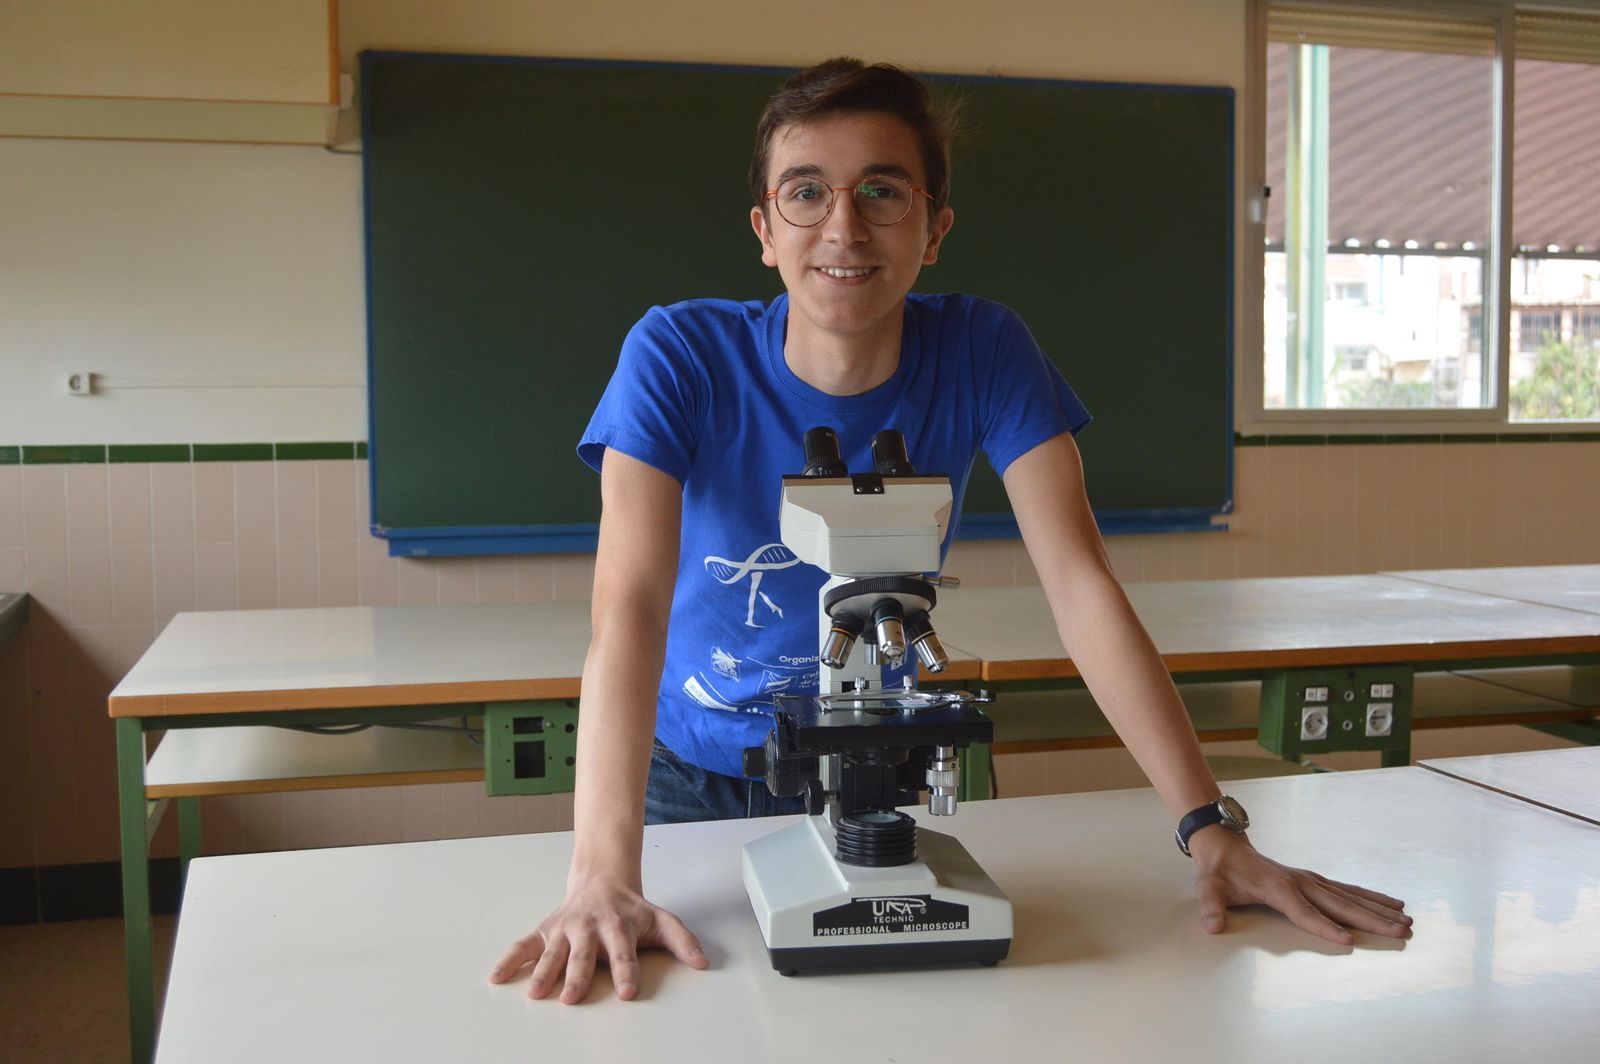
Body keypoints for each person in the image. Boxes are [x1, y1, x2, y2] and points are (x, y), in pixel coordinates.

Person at [489, 57, 1411, 1005]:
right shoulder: (679, 354)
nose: (843, 226)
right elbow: (628, 609)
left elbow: (1080, 583)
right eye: (807, 192)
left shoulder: (984, 347)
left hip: (889, 767)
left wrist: (1210, 826)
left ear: (935, 230)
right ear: (766, 230)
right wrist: (603, 873)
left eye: (882, 192)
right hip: (695, 774)